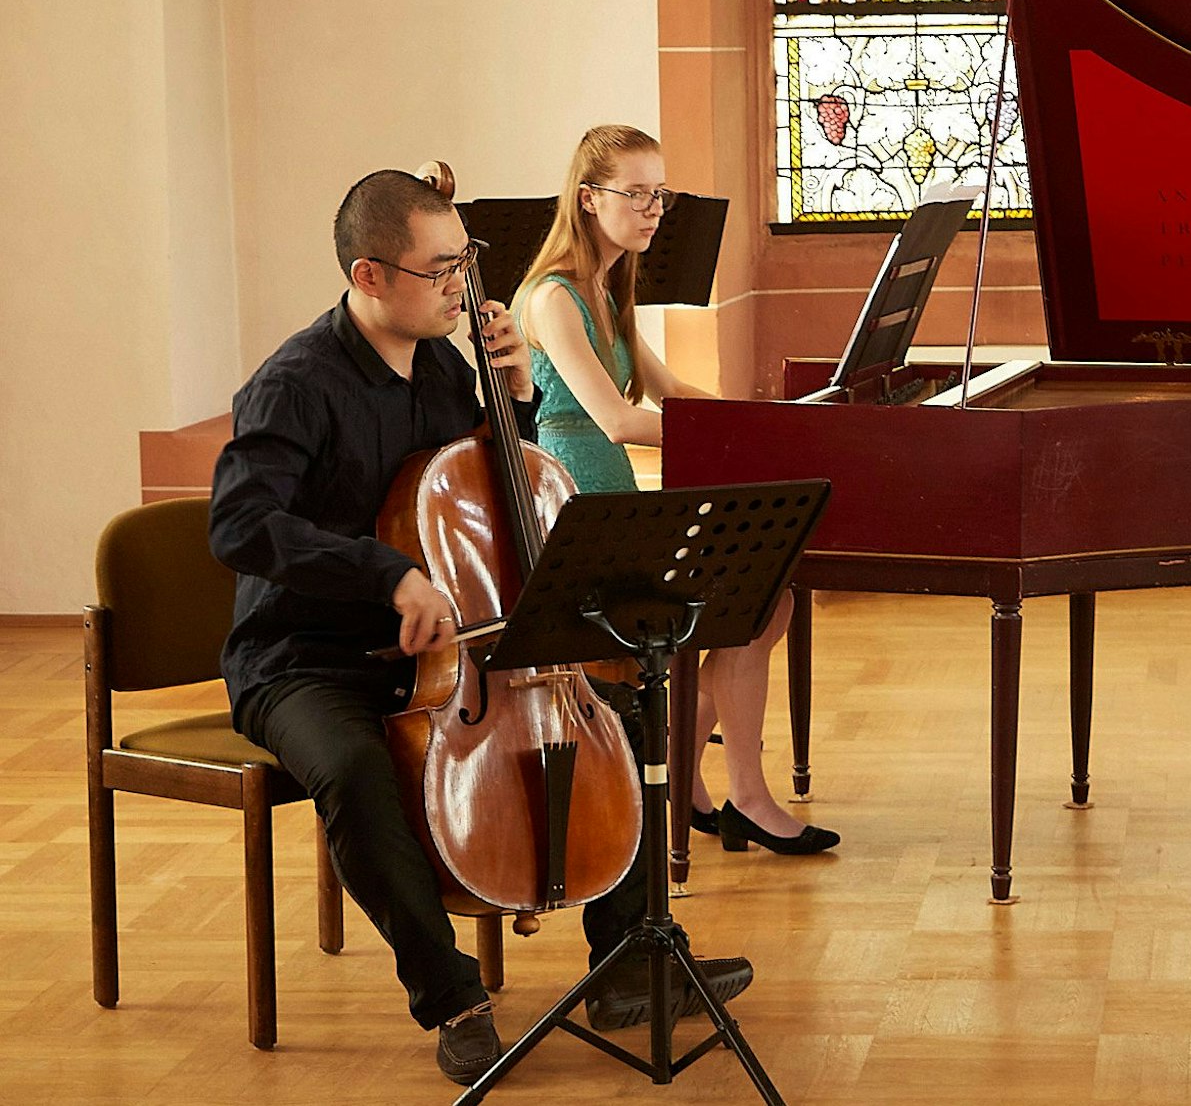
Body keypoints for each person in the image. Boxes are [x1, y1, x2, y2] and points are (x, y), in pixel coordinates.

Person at [209, 169, 750, 1086]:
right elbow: (240, 523)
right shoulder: (295, 384)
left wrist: (516, 396)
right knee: (352, 768)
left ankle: (626, 965)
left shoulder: (439, 366)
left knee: (624, 718)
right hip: (306, 660)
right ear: (369, 275)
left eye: (466, 261)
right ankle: (451, 993)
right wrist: (388, 574)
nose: (463, 285)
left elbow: (483, 493)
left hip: (454, 655)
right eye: (441, 269)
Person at [511, 124, 838, 856]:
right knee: (748, 607)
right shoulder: (552, 297)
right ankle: (744, 795)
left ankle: (692, 776)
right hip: (576, 511)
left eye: (660, 193)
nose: (654, 208)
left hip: (614, 499)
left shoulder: (607, 284)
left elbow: (673, 393)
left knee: (766, 599)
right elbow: (620, 419)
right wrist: (728, 440)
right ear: (589, 199)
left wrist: (763, 421)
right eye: (638, 194)